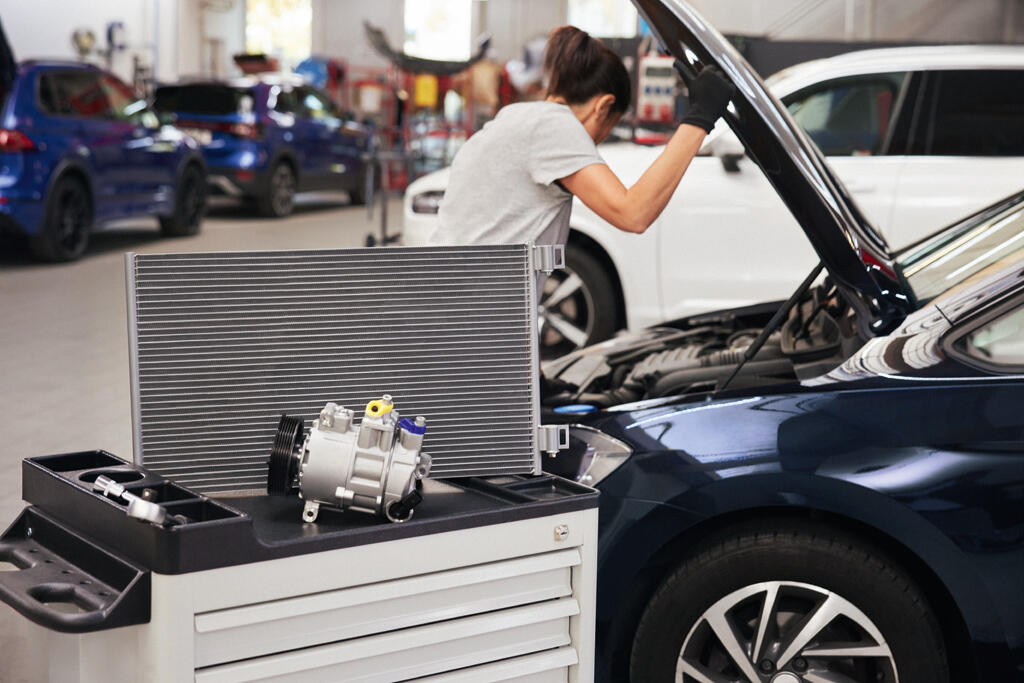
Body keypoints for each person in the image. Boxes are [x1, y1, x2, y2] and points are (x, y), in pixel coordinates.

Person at [428, 25, 735, 253]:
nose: (594, 146)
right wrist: (700, 118)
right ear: (602, 107)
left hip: (447, 303)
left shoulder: (515, 117)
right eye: (606, 130)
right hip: (469, 311)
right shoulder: (555, 126)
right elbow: (633, 214)